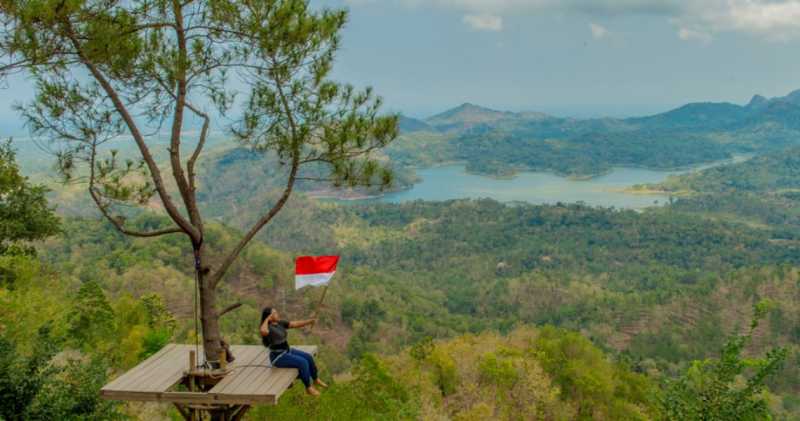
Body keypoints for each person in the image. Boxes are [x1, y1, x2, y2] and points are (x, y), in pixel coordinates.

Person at [260, 307, 328, 396]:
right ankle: (308, 387)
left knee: (308, 357)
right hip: (278, 357)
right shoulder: (268, 328)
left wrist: (309, 321)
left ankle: (315, 379)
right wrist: (267, 319)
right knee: (303, 363)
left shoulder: (280, 323)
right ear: (270, 316)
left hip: (287, 350)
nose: (277, 314)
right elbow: (263, 331)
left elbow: (295, 324)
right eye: (274, 313)